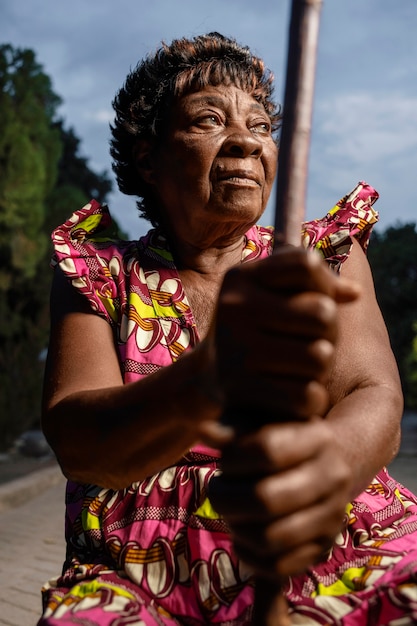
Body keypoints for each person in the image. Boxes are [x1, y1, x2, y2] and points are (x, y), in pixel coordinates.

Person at [37, 32, 417, 626]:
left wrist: (323, 474)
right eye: (208, 120)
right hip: (141, 572)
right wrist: (211, 375)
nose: (245, 140)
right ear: (147, 157)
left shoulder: (320, 258)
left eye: (261, 125)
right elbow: (78, 441)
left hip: (329, 538)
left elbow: (375, 395)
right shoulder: (100, 272)